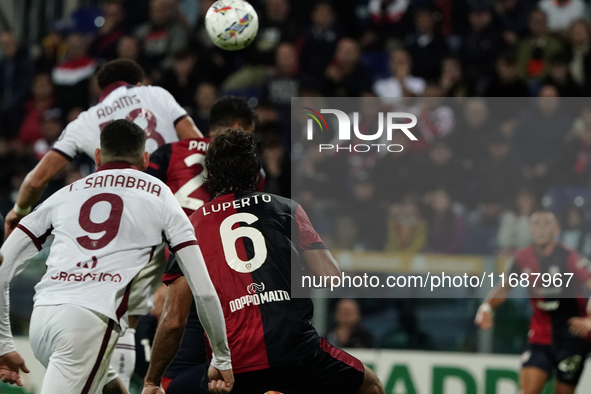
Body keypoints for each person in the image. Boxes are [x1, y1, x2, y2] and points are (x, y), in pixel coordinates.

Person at [3, 58, 203, 389]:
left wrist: (19, 209)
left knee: (123, 317)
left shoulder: (87, 120)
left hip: (116, 230)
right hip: (175, 214)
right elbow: (197, 146)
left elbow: (38, 177)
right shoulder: (157, 95)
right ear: (138, 82)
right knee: (158, 320)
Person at [142, 130, 384, 394]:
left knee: (182, 388)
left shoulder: (191, 226)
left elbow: (174, 320)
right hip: (297, 352)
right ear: (257, 175)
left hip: (233, 367)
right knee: (370, 385)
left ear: (208, 176)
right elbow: (330, 275)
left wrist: (152, 380)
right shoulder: (286, 208)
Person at [144, 97, 262, 394]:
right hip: (233, 284)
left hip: (182, 277)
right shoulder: (254, 170)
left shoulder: (170, 152)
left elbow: (142, 207)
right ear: (237, 128)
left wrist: (160, 280)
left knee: (175, 373)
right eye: (249, 133)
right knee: (233, 372)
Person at [475, 210, 591, 394]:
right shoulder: (522, 258)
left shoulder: (570, 257)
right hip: (540, 336)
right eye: (536, 223)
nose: (541, 228)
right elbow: (505, 287)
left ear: (557, 229)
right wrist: (486, 306)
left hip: (572, 338)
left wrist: (589, 319)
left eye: (547, 223)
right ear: (530, 230)